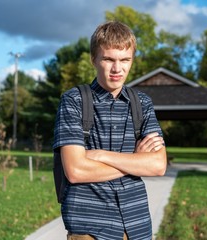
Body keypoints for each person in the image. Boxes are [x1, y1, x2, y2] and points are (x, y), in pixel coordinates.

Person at [53, 21, 167, 240]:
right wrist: (136, 162)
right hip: (90, 229)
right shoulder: (74, 100)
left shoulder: (141, 103)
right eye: (108, 59)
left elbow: (158, 165)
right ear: (93, 59)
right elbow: (76, 171)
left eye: (125, 60)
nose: (118, 69)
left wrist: (101, 156)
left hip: (137, 225)